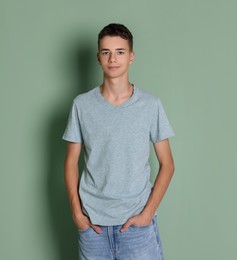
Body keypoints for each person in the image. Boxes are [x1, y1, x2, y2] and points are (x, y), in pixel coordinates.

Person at [63, 23, 175, 260]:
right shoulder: (81, 105)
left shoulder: (150, 104)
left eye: (120, 52)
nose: (113, 58)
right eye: (106, 52)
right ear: (98, 57)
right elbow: (71, 162)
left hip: (137, 227)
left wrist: (148, 213)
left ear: (131, 56)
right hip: (93, 227)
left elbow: (168, 164)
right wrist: (76, 213)